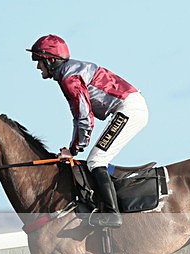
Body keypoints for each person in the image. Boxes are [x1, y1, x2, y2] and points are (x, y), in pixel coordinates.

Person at [27, 34, 149, 227]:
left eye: (38, 60)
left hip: (129, 109)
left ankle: (112, 214)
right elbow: (80, 117)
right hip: (129, 107)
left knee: (96, 160)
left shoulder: (69, 78)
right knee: (98, 159)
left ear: (50, 60)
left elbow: (84, 118)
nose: (37, 66)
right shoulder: (68, 72)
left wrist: (74, 149)